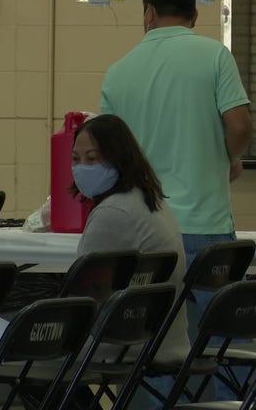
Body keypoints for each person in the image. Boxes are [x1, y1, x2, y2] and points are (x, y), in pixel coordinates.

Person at [100, 0, 253, 400]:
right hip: (206, 228)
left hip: (144, 232)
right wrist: (227, 160)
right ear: (196, 14)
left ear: (147, 12)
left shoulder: (118, 71)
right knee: (217, 346)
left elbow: (107, 156)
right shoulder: (214, 56)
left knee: (151, 347)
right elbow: (239, 126)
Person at [71, 114, 190, 408]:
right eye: (76, 159)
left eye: (92, 158)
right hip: (163, 337)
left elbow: (81, 296)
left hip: (125, 342)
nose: (82, 168)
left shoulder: (114, 212)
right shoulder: (152, 201)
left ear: (117, 158)